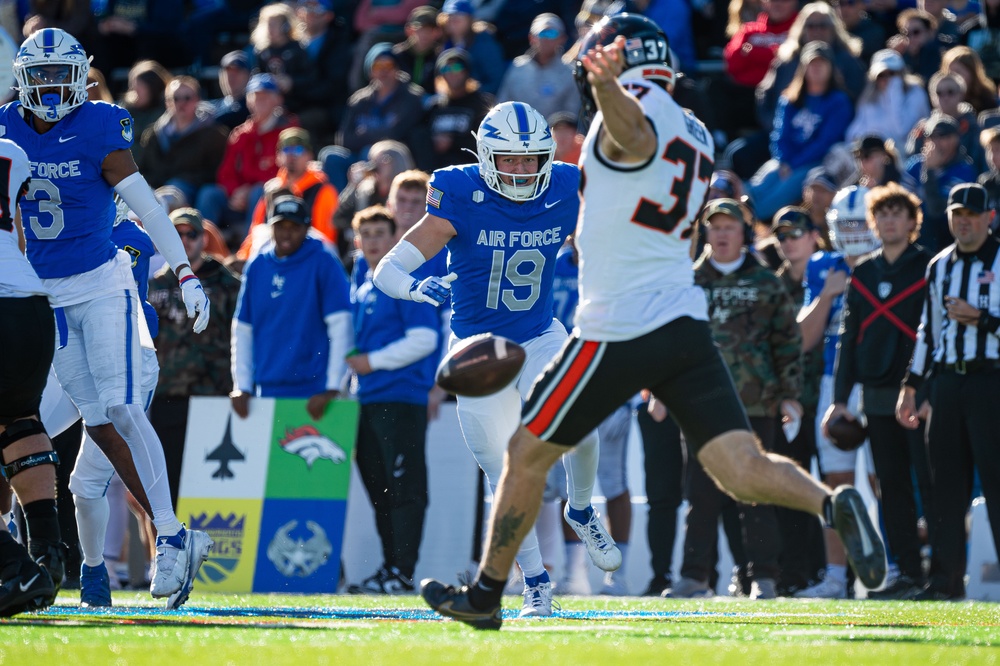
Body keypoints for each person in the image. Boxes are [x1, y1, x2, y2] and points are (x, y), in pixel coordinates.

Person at [418, 14, 886, 630]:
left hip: (619, 322)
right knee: (740, 468)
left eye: (595, 66)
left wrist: (610, 88)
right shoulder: (693, 129)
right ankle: (832, 504)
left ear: (618, 66)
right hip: (682, 322)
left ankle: (485, 595)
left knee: (525, 453)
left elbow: (632, 136)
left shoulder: (633, 111)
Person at [373, 100, 621, 618]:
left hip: (537, 334)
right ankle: (535, 582)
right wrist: (423, 290)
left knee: (583, 415)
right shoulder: (460, 193)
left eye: (532, 160)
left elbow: (603, 241)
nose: (521, 170)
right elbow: (387, 272)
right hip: (475, 350)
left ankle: (581, 508)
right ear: (486, 157)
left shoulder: (566, 186)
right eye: (509, 159)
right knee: (504, 469)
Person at [4, 28, 213, 609]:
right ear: (23, 80)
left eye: (57, 75)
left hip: (101, 285)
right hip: (43, 298)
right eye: (39, 76)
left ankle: (172, 536)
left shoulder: (100, 125)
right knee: (90, 419)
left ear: (80, 76)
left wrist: (185, 273)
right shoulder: (4, 129)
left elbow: (146, 203)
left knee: (120, 407)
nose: (48, 88)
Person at [672, 199, 803, 601]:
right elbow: (669, 343)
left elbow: (788, 343)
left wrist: (790, 396)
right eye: (715, 227)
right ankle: (695, 578)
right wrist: (662, 393)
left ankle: (764, 578)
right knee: (701, 496)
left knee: (757, 493)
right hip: (700, 407)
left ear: (743, 232)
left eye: (730, 227)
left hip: (757, 405)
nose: (722, 234)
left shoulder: (767, 282)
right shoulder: (687, 282)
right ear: (705, 232)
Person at [823, 183, 933, 599]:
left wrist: (926, 391)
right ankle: (905, 571)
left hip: (919, 397)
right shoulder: (863, 272)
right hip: (875, 397)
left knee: (931, 482)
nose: (889, 221)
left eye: (896, 213)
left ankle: (941, 571)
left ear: (911, 222)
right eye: (881, 214)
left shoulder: (927, 266)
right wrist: (838, 400)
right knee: (891, 486)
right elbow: (849, 341)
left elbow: (934, 336)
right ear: (873, 222)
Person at [897, 182, 1000, 601]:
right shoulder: (939, 266)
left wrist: (984, 320)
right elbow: (929, 330)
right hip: (947, 384)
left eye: (972, 215)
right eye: (958, 215)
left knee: (996, 483)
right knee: (945, 486)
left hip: (991, 381)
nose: (964, 222)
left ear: (989, 217)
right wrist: (911, 386)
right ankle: (944, 581)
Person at [345, 206, 439, 594]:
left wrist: (373, 362)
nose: (372, 241)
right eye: (365, 234)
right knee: (380, 491)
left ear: (395, 236)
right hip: (366, 400)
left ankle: (402, 572)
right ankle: (390, 570)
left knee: (404, 490)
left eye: (380, 233)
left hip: (401, 399)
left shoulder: (401, 279)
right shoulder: (364, 285)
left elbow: (426, 339)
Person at [0, 136, 62, 616]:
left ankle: (15, 568)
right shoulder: (11, 152)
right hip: (31, 303)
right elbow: (20, 233)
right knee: (20, 420)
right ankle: (47, 553)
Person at [148, 208, 242, 510]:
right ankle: (172, 552)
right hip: (167, 397)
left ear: (204, 239)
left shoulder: (228, 283)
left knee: (214, 490)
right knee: (169, 487)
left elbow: (244, 335)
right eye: (177, 234)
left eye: (191, 234)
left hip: (214, 397)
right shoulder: (154, 286)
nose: (185, 240)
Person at [230, 195, 352, 420]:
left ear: (307, 228)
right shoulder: (257, 266)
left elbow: (342, 327)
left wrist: (333, 387)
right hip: (266, 391)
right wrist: (243, 385)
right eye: (280, 226)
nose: (286, 233)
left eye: (294, 227)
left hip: (315, 394)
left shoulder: (324, 262)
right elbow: (242, 330)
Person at [237, 127, 339, 264]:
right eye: (286, 150)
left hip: (310, 261)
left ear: (309, 156)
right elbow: (255, 233)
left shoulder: (323, 191)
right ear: (278, 157)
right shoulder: (271, 189)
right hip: (272, 260)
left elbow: (325, 240)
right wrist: (243, 259)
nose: (292, 156)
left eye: (298, 150)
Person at [496, 13, 580, 121]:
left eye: (551, 33)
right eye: (541, 33)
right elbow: (503, 106)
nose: (545, 39)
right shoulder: (517, 67)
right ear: (531, 38)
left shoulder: (571, 72)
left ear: (562, 39)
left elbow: (572, 116)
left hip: (554, 135)